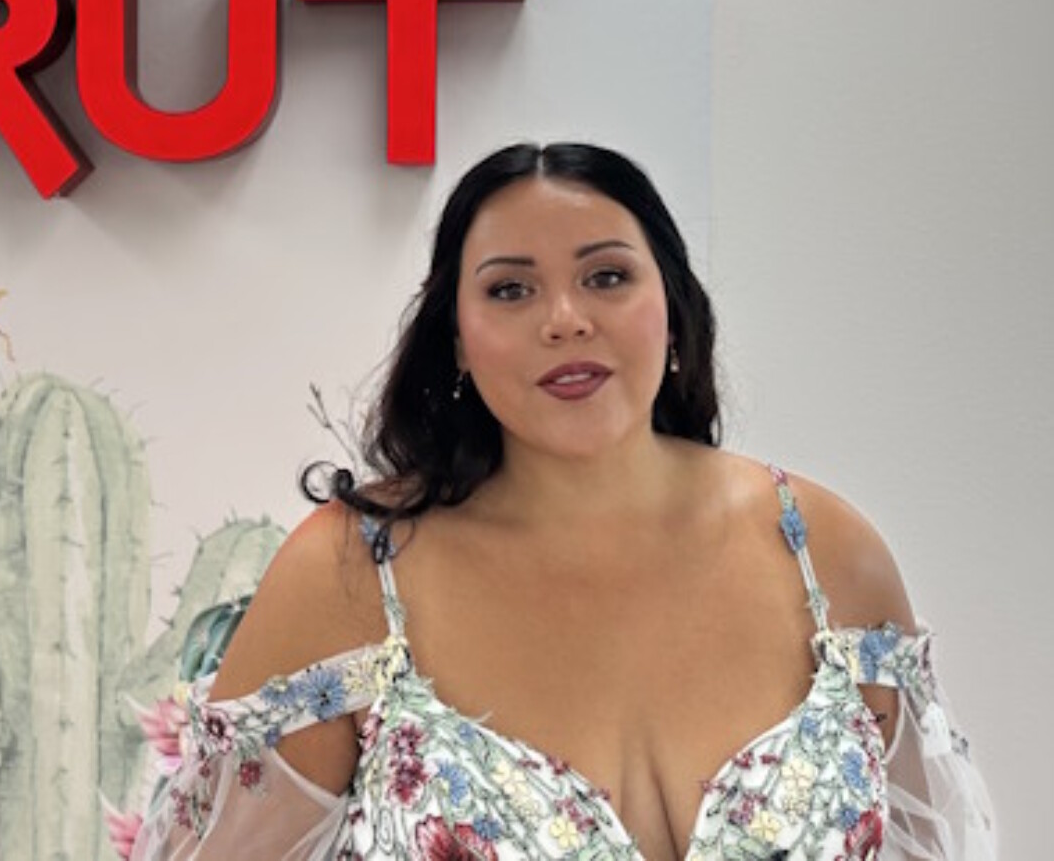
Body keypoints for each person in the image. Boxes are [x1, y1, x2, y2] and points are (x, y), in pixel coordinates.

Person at [131, 142, 996, 861]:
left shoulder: (825, 552)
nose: (564, 319)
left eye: (608, 277)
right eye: (510, 289)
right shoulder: (353, 575)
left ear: (674, 309)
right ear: (457, 341)